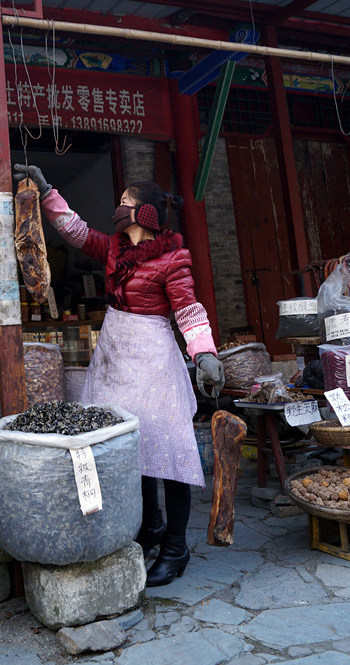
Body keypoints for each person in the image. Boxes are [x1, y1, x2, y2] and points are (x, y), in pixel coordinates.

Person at [13, 163, 224, 586]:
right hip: (114, 356)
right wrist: (48, 189)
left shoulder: (173, 258)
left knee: (169, 454)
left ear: (144, 214)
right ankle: (150, 530)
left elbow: (187, 308)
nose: (118, 208)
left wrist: (204, 355)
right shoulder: (113, 248)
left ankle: (176, 547)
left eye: (125, 203)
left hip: (153, 359)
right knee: (131, 448)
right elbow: (75, 232)